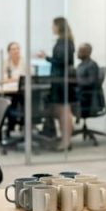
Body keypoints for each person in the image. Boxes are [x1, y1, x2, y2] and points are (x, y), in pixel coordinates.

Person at [36, 17, 75, 150]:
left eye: (53, 25)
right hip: (59, 80)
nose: (51, 28)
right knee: (60, 110)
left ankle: (66, 141)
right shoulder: (63, 41)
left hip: (62, 81)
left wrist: (46, 57)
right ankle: (64, 138)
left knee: (64, 111)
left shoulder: (65, 42)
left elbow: (62, 61)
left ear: (59, 26)